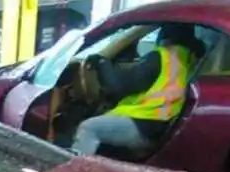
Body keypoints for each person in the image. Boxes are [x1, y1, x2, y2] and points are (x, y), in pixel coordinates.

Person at [71, 24, 200, 159]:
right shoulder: (188, 59)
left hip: (145, 124)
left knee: (88, 128)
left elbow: (118, 88)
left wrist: (102, 62)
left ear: (164, 35)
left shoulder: (162, 57)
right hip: (161, 123)